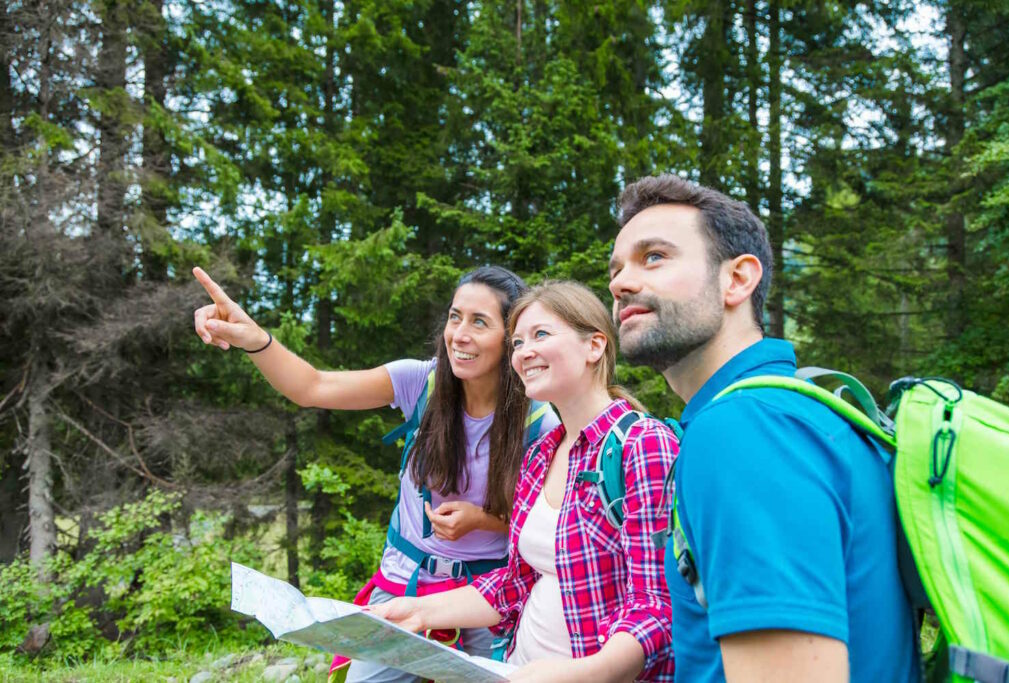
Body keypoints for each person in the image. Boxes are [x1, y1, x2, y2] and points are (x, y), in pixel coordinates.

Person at [607, 175, 918, 683]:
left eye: (655, 257)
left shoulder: (744, 430)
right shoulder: (804, 410)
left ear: (737, 280)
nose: (620, 283)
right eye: (617, 269)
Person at [191, 265, 558, 683]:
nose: (460, 334)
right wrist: (256, 339)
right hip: (403, 586)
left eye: (480, 322)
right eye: (455, 317)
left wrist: (483, 520)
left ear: (510, 339)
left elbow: (549, 532)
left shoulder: (537, 421)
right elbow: (311, 387)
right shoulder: (420, 382)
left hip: (487, 599)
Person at [371, 280, 676, 682]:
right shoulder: (540, 454)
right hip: (513, 668)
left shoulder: (642, 443)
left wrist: (585, 674)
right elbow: (515, 583)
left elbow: (655, 606)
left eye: (540, 335)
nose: (524, 352)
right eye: (516, 342)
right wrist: (420, 611)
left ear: (595, 346)